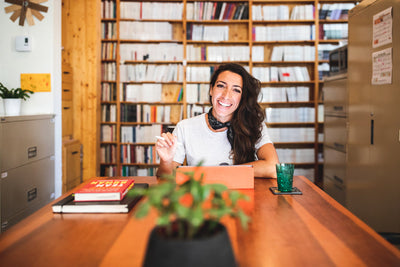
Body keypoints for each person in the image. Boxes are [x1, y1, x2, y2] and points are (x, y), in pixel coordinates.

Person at [156, 63, 279, 178]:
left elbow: (273, 167)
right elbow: (165, 177)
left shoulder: (253, 125)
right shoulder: (185, 127)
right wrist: (166, 161)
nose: (226, 95)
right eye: (221, 86)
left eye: (236, 90)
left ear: (242, 97)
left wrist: (221, 174)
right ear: (211, 89)